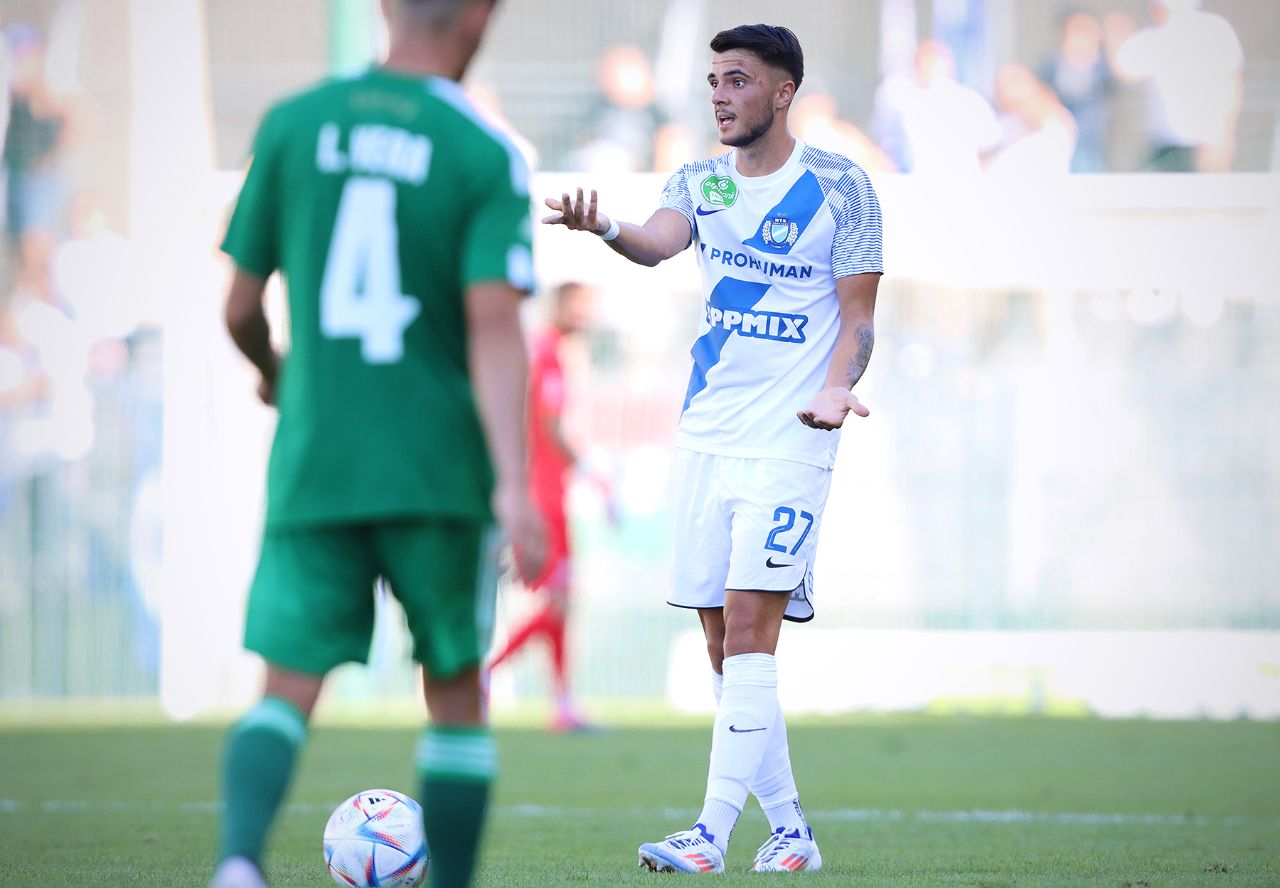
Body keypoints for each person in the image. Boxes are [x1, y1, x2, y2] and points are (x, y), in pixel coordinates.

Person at [211, 1, 545, 887]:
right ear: (479, 16)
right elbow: (494, 326)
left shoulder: (293, 125)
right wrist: (515, 484)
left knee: (286, 686)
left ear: (386, 6)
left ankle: (238, 864)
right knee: (456, 690)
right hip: (438, 471)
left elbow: (239, 308)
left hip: (317, 459)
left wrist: (275, 372)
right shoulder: (483, 152)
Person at [542, 23, 882, 874]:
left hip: (792, 439)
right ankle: (791, 831)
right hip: (706, 437)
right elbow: (657, 244)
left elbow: (859, 318)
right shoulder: (700, 181)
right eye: (714, 82)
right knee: (722, 645)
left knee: (750, 629)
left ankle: (709, 834)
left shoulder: (843, 188)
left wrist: (836, 388)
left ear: (783, 91)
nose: (721, 97)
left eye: (738, 80)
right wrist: (606, 226)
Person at [486, 281, 594, 731]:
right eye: (581, 307)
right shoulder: (547, 354)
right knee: (559, 601)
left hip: (548, 493)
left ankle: (563, 703)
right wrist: (589, 470)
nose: (587, 316)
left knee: (561, 602)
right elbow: (551, 424)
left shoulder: (547, 351)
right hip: (546, 497)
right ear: (561, 306)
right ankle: (489, 675)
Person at [1114, 0, 1243, 172]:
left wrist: (1225, 134)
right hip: (1163, 143)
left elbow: (1231, 86)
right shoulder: (1154, 37)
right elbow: (1125, 71)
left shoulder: (1214, 30)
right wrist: (1117, 35)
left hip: (1202, 142)